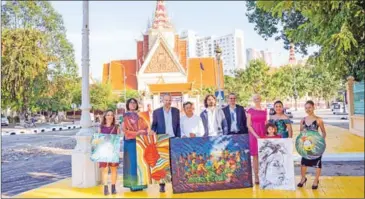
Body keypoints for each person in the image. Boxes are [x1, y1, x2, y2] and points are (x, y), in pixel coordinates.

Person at [151, 93, 181, 192]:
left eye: (169, 100)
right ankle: (162, 184)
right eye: (166, 100)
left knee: (174, 162)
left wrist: (178, 137)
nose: (168, 102)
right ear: (162, 101)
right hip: (162, 139)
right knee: (162, 163)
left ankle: (174, 183)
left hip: (174, 138)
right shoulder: (156, 112)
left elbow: (178, 125)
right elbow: (154, 125)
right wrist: (152, 130)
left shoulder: (176, 111)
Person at [297, 100, 327, 190]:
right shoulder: (302, 120)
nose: (308, 109)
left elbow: (323, 132)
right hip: (306, 145)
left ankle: (316, 180)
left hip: (316, 146)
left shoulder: (319, 119)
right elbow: (301, 133)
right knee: (303, 163)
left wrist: (320, 143)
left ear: (313, 107)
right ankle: (303, 178)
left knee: (317, 163)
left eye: (309, 107)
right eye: (306, 108)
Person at [122, 98, 149, 192]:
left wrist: (144, 132)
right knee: (132, 163)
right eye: (131, 102)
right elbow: (125, 130)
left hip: (140, 142)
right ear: (127, 104)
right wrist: (137, 132)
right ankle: (132, 184)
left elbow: (146, 127)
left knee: (141, 162)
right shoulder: (124, 116)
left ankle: (141, 184)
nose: (133, 104)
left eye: (134, 103)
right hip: (130, 142)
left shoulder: (141, 116)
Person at [99, 109, 121, 195]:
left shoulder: (116, 127)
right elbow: (98, 140)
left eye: (111, 115)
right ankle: (105, 187)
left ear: (113, 117)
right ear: (105, 116)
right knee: (104, 170)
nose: (110, 116)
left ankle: (113, 187)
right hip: (104, 151)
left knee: (113, 169)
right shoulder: (101, 127)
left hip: (113, 151)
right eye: (108, 115)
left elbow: (118, 139)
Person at [247, 94, 267, 184]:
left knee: (264, 155)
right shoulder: (250, 111)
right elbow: (248, 125)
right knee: (255, 156)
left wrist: (266, 135)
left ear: (261, 99)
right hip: (254, 135)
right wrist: (256, 136)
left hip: (263, 134)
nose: (257, 100)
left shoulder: (265, 110)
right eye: (255, 98)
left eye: (258, 98)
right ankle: (256, 176)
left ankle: (264, 175)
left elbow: (267, 123)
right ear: (253, 100)